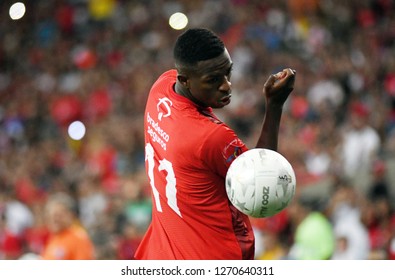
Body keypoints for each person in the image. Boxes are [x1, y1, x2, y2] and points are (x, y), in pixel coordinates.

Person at [134, 28, 296, 260]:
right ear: (185, 80)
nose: (227, 85)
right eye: (213, 80)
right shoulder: (209, 137)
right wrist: (275, 105)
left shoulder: (160, 89)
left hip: (162, 254)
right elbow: (263, 184)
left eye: (228, 73)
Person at [40, 192, 95, 260]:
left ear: (70, 215)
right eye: (50, 216)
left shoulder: (78, 238)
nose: (54, 220)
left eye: (58, 215)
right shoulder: (52, 239)